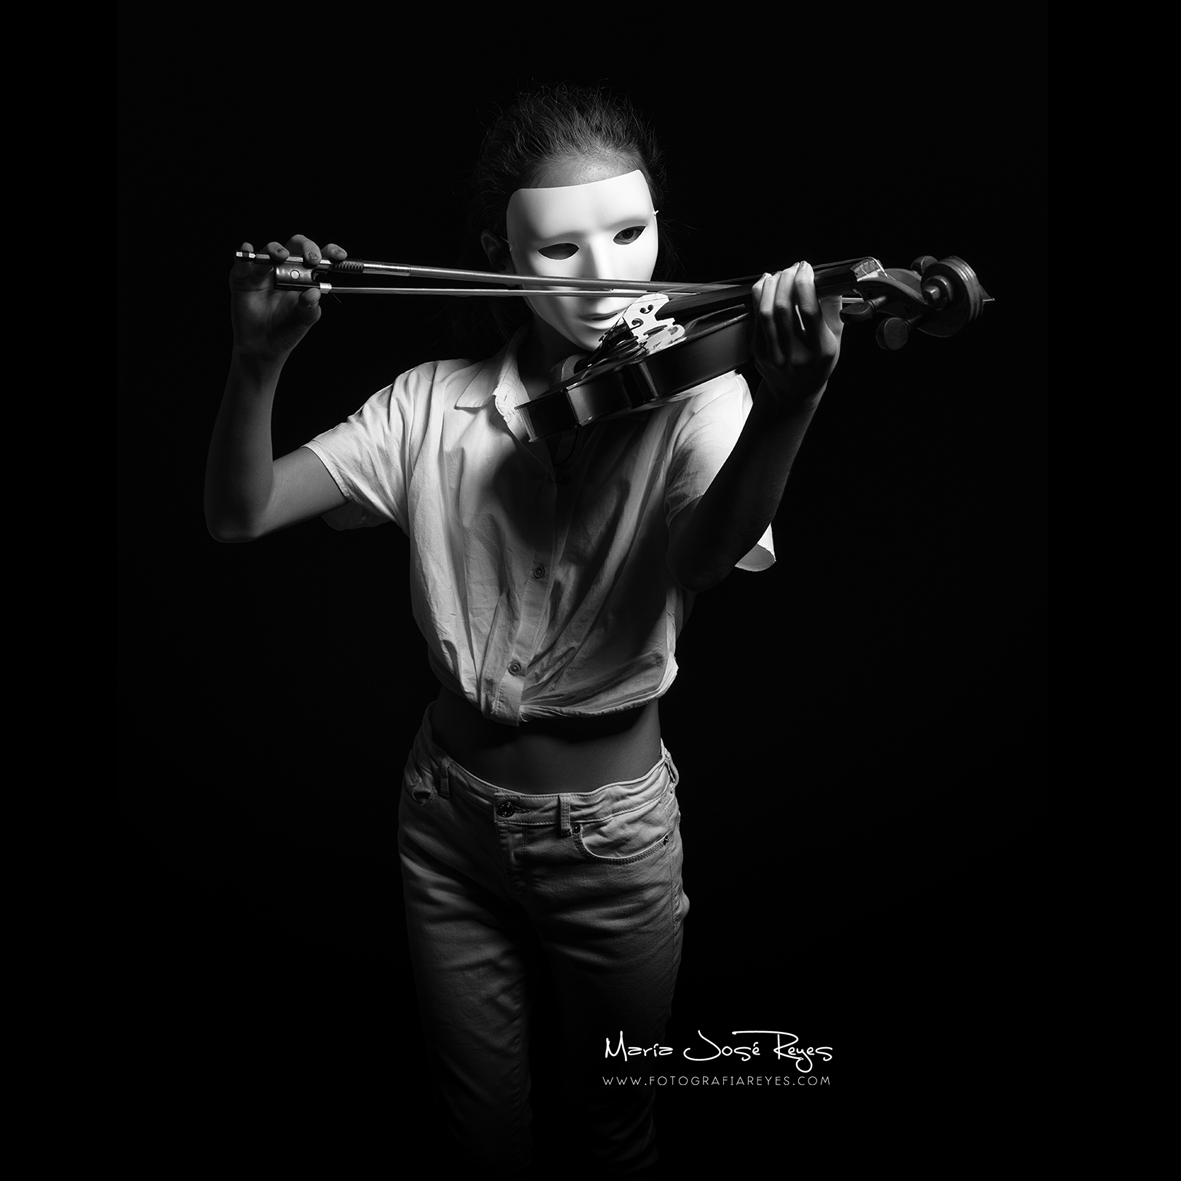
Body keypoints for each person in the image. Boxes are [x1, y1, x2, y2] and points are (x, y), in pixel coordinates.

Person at [205, 85, 842, 1178]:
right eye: (558, 249)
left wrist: (785, 406)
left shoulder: (703, 397)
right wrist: (258, 356)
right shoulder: (425, 405)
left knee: (616, 1129)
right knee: (477, 1136)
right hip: (442, 815)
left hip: (609, 838)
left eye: (631, 234)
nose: (606, 278)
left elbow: (697, 564)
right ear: (494, 249)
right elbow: (239, 511)